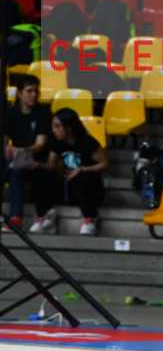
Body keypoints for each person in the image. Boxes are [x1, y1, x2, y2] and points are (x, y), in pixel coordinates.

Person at [29, 108, 109, 236]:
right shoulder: (56, 142)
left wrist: (83, 169)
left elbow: (105, 164)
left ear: (69, 128)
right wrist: (36, 165)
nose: (53, 130)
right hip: (68, 188)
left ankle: (90, 219)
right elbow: (51, 166)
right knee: (40, 173)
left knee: (81, 176)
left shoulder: (88, 142)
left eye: (57, 126)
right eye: (53, 126)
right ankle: (45, 217)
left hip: (89, 190)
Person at [3, 74, 50, 231]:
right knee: (11, 166)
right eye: (29, 91)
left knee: (16, 170)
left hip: (35, 159)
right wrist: (8, 150)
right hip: (15, 158)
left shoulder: (43, 113)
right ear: (19, 93)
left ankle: (16, 219)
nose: (34, 95)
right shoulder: (10, 113)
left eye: (36, 91)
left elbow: (40, 144)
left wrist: (22, 150)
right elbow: (4, 140)